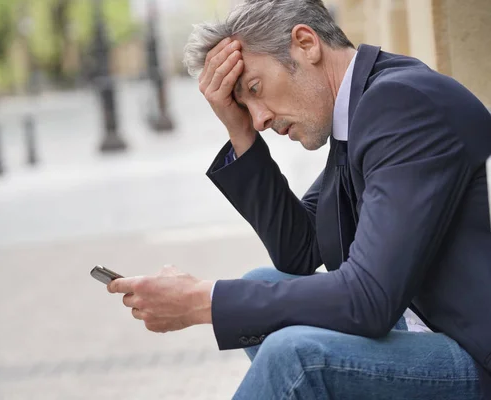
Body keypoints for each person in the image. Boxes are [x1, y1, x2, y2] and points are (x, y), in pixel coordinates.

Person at [107, 0, 491, 398]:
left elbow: (369, 299)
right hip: (422, 322)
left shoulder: (402, 105)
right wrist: (241, 133)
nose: (260, 119)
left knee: (294, 356)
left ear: (305, 44)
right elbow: (301, 250)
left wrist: (202, 299)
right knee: (261, 284)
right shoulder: (363, 108)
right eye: (244, 106)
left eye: (255, 90)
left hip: (475, 354)